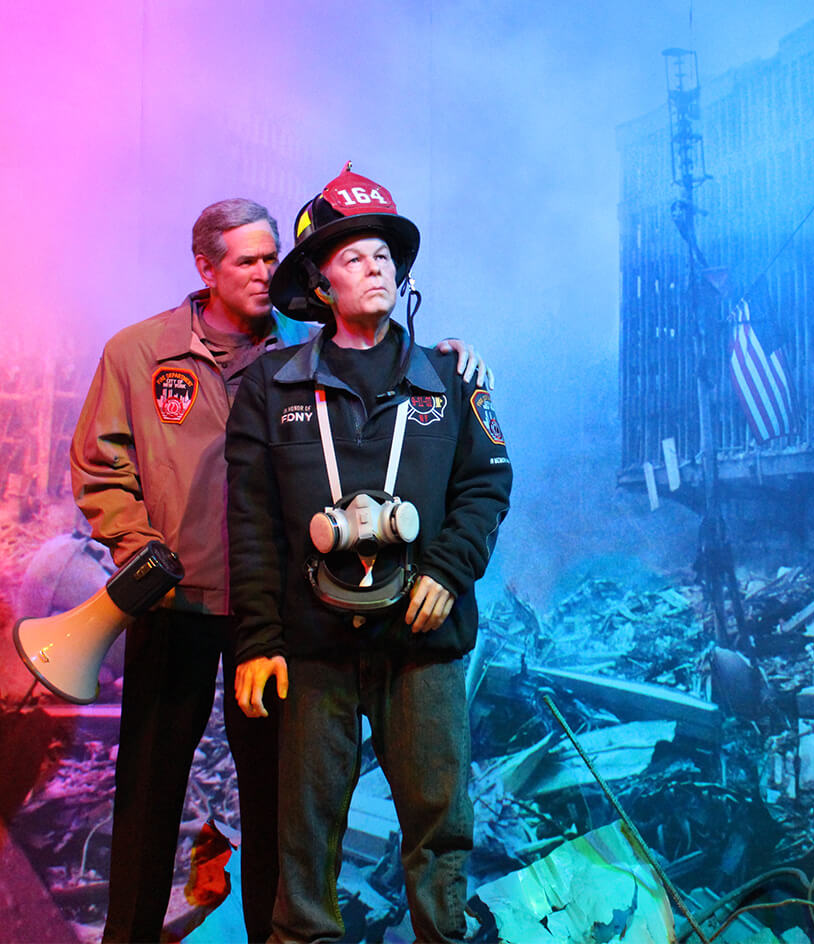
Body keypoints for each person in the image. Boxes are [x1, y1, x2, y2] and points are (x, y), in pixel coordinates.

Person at [69, 195, 492, 944]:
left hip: (277, 615)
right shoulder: (140, 353)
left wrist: (451, 360)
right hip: (184, 603)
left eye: (273, 258)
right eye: (248, 261)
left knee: (280, 804)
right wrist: (142, 553)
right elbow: (103, 466)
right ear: (205, 267)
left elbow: (392, 361)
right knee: (149, 792)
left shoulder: (302, 350)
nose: (267, 273)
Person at [226, 163, 512, 943]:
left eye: (384, 253)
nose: (374, 266)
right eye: (352, 256)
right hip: (315, 646)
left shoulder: (451, 377)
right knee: (304, 841)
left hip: (422, 642)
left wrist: (449, 572)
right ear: (320, 284)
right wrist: (258, 640)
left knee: (440, 829)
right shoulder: (269, 389)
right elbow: (249, 524)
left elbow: (487, 485)